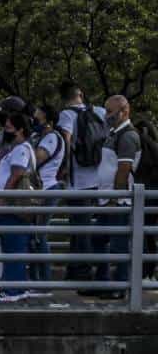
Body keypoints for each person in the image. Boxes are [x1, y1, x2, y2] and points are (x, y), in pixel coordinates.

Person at [82, 95, 140, 301]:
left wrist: (115, 198)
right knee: (98, 238)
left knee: (118, 245)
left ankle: (118, 286)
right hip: (107, 200)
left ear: (124, 111)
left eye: (110, 111)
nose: (106, 115)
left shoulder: (128, 136)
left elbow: (124, 169)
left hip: (118, 201)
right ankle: (103, 281)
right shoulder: (114, 133)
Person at [56, 82, 107, 283]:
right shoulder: (101, 111)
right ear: (81, 94)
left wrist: (64, 167)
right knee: (89, 227)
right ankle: (75, 268)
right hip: (100, 179)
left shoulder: (67, 115)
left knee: (79, 227)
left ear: (63, 98)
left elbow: (66, 141)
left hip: (79, 182)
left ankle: (82, 272)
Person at [0, 112, 37, 303]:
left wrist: (2, 200)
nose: (5, 131)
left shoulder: (21, 149)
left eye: (9, 128)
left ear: (20, 130)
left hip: (12, 206)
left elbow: (16, 174)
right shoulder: (17, 148)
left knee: (14, 247)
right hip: (10, 206)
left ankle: (13, 290)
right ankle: (13, 286)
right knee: (11, 247)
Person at [29, 104, 64, 291]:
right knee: (34, 236)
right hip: (37, 190)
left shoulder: (51, 138)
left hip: (47, 188)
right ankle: (35, 279)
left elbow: (35, 159)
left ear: (49, 121)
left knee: (39, 235)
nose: (34, 120)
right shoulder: (38, 137)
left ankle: (44, 281)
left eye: (38, 117)